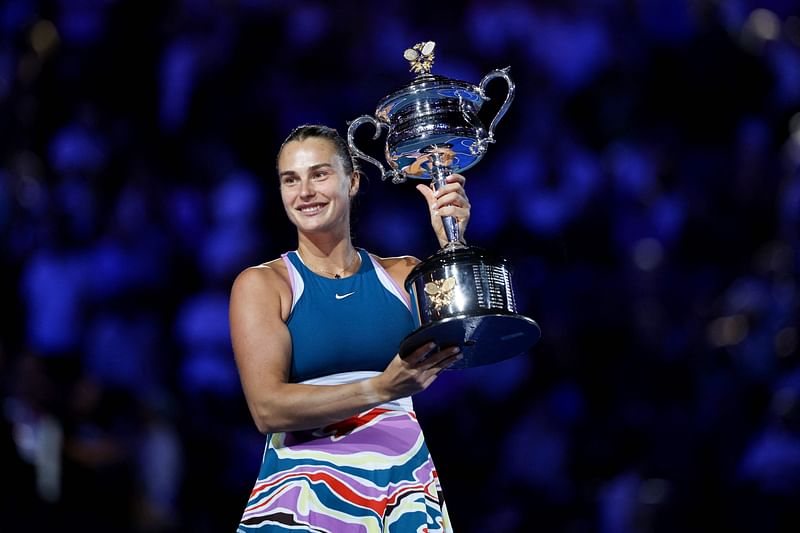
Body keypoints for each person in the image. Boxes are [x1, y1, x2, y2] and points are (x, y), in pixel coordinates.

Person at [229, 124, 470, 531]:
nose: (304, 192)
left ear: (352, 181)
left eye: (319, 174)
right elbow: (267, 409)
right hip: (305, 498)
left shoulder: (405, 274)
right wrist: (379, 389)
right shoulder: (263, 284)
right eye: (291, 179)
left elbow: (470, 341)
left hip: (404, 486)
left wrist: (453, 243)